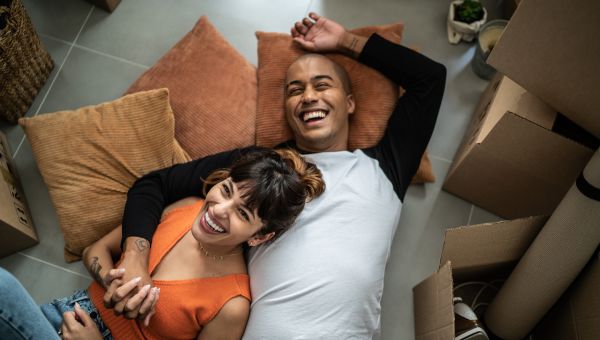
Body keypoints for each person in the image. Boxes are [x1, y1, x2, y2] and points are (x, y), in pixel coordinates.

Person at [109, 12, 446, 339]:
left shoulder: (385, 167)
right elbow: (153, 185)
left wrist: (345, 41)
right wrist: (135, 259)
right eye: (294, 90)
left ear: (350, 103)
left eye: (322, 85)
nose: (308, 96)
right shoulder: (260, 168)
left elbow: (430, 79)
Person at [0, 147, 324, 340]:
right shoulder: (182, 207)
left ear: (260, 235)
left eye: (242, 213)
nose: (218, 211)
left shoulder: (231, 304)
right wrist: (117, 282)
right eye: (226, 191)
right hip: (59, 315)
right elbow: (94, 251)